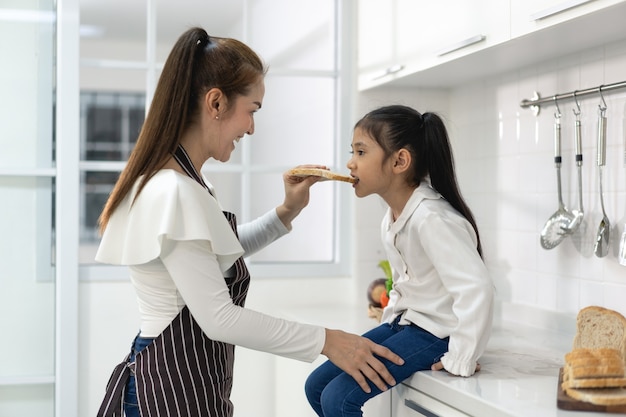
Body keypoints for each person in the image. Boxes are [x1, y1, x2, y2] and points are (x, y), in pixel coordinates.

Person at [94, 27, 404, 417]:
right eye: (252, 110)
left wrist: (287, 210)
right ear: (216, 103)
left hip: (180, 379)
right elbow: (219, 318)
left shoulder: (186, 183)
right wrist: (328, 341)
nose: (251, 128)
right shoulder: (174, 190)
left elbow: (213, 256)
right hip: (169, 386)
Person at [304, 105, 494, 417]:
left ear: (399, 161)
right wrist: (385, 327)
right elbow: (403, 285)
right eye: (352, 152)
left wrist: (461, 356)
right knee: (316, 387)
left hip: (435, 335)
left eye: (361, 152)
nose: (350, 163)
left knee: (339, 399)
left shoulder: (431, 218)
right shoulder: (392, 217)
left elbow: (477, 289)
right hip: (404, 325)